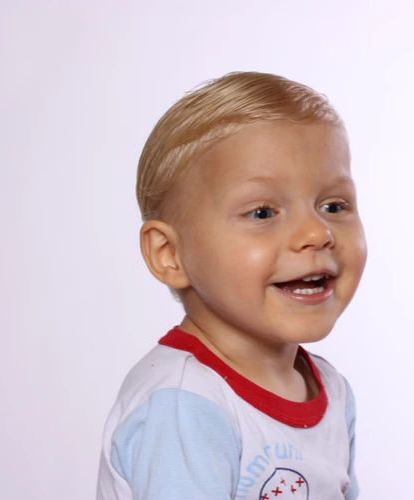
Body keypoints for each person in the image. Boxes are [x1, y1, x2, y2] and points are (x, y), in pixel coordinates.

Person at [96, 71, 367, 500]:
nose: (317, 232)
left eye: (333, 206)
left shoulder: (331, 391)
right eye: (262, 213)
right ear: (170, 254)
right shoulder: (184, 405)